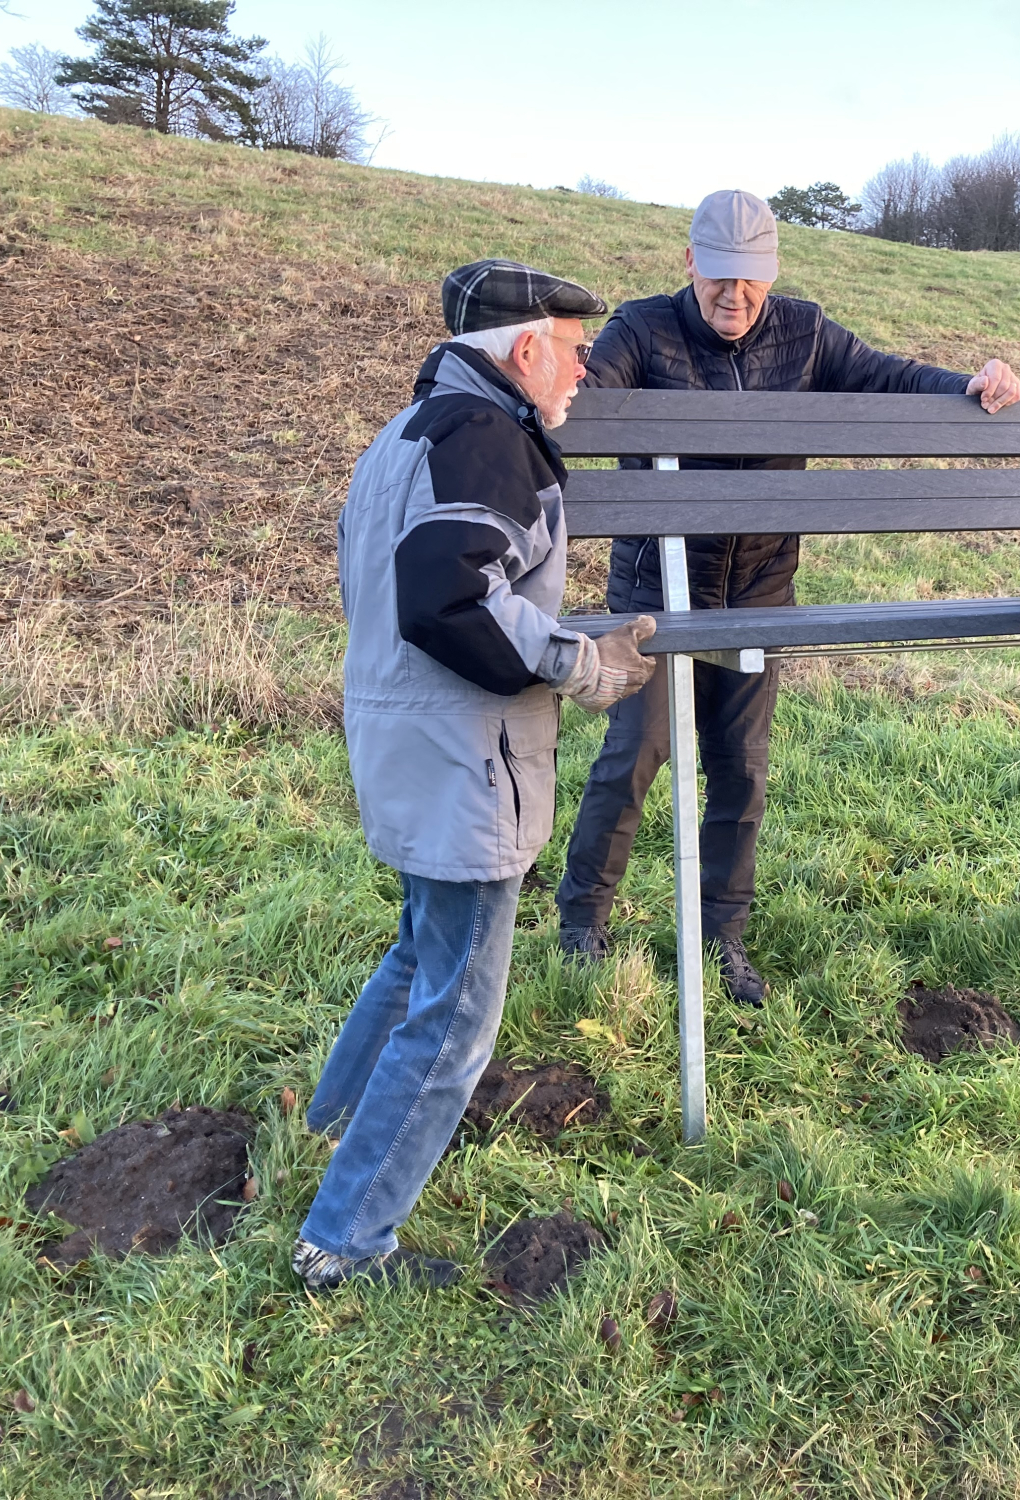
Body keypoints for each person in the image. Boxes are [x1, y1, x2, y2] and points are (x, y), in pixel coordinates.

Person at [555, 188, 1020, 1004]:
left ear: (770, 275)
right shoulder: (642, 328)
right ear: (691, 262)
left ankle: (721, 936)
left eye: (752, 281)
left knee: (742, 768)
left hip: (759, 591)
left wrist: (973, 381)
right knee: (636, 754)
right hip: (654, 594)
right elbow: (583, 400)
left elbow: (889, 378)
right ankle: (581, 926)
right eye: (720, 278)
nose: (735, 297)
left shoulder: (806, 332)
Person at [293, 260, 658, 1290]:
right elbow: (448, 594)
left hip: (405, 737)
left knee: (419, 954)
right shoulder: (487, 437)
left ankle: (329, 1127)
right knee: (457, 1016)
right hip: (465, 754)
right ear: (524, 347)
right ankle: (344, 1242)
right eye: (572, 347)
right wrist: (580, 665)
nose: (584, 368)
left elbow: (395, 590)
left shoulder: (403, 435)